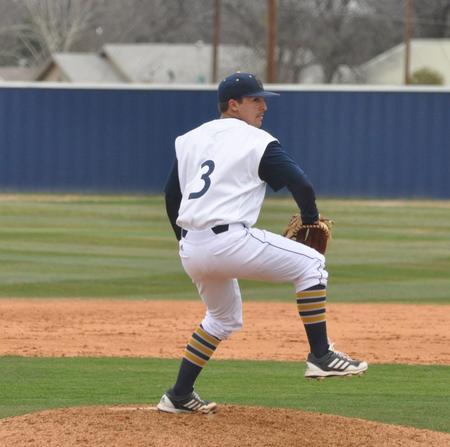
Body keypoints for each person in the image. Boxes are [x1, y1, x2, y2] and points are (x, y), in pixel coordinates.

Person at [158, 72, 367, 414]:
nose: (263, 106)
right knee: (312, 263)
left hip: (191, 248)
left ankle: (178, 395)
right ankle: (321, 355)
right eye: (255, 99)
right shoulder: (257, 140)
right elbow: (302, 184)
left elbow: (172, 196)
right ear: (233, 105)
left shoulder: (190, 139)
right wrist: (311, 218)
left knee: (222, 318)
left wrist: (184, 241)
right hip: (229, 241)